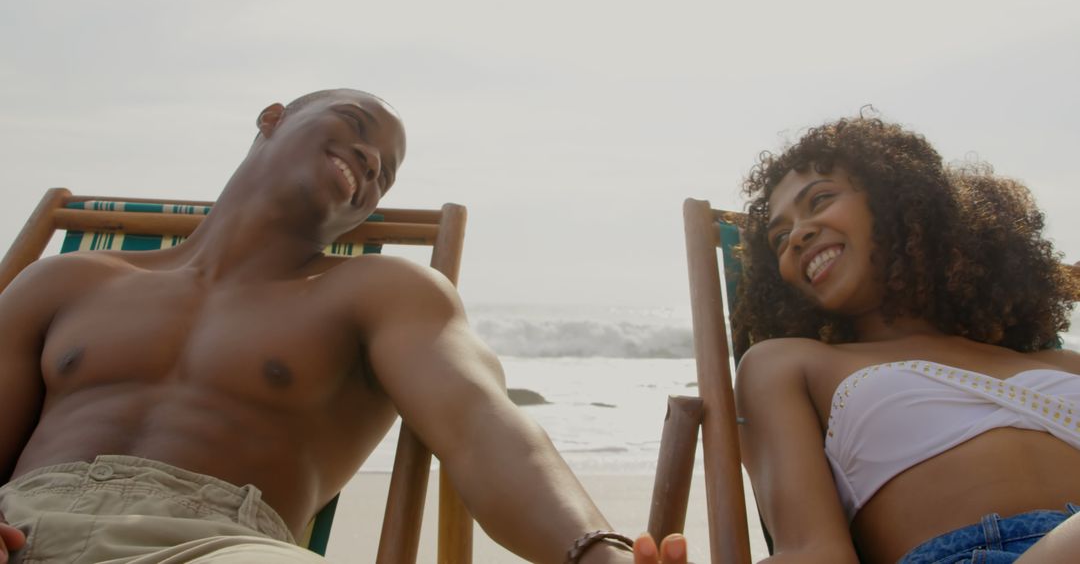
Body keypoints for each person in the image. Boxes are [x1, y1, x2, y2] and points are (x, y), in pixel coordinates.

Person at [0, 89, 685, 564]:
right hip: (22, 522)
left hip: (219, 544)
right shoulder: (69, 280)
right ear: (273, 118)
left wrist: (595, 552)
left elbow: (480, 425)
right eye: (355, 125)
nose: (371, 160)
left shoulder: (381, 292)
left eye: (385, 172)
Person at [730, 115, 1080, 563]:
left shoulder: (1063, 363)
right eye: (780, 238)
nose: (797, 235)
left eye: (820, 200)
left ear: (896, 199)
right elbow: (812, 552)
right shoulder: (788, 365)